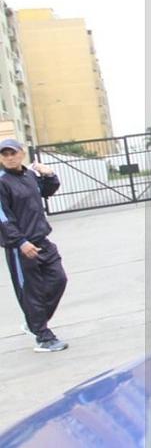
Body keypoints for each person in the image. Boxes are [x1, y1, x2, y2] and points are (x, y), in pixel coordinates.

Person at [0, 139, 68, 352]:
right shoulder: (2, 182)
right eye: (4, 154)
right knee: (31, 292)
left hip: (42, 240)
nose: (9, 157)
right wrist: (21, 242)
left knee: (58, 279)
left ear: (21, 153)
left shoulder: (29, 175)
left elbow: (47, 190)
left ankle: (34, 322)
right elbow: (3, 218)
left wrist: (49, 174)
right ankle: (43, 337)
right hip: (20, 247)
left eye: (13, 153)